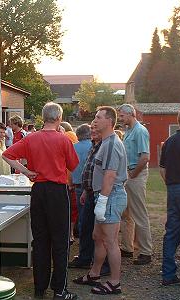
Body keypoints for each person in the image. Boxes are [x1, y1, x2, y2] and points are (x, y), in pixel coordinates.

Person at [3, 102, 79, 300]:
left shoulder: (31, 138)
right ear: (59, 118)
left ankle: (40, 287)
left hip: (38, 190)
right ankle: (60, 290)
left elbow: (7, 154)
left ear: (43, 118)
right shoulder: (63, 140)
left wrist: (27, 171)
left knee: (40, 240)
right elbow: (73, 165)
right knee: (60, 241)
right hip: (57, 191)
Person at [76, 106, 127, 295]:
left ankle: (115, 283)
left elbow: (110, 176)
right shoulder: (104, 142)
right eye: (95, 117)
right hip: (102, 196)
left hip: (111, 195)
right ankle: (95, 274)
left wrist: (103, 201)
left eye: (99, 117)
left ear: (109, 121)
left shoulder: (112, 143)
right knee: (98, 237)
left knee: (111, 241)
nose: (95, 121)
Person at [160, 106, 180, 289]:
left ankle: (169, 274)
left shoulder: (169, 141)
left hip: (173, 190)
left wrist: (172, 185)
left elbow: (162, 169)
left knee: (171, 234)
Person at [118, 103, 153, 265]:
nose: (120, 118)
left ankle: (146, 251)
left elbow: (145, 157)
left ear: (131, 114)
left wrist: (133, 174)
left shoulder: (140, 131)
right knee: (126, 214)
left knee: (139, 213)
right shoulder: (129, 131)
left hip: (135, 175)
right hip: (128, 174)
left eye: (122, 116)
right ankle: (127, 247)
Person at [71, 124, 92, 239]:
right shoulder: (94, 147)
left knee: (81, 215)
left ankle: (84, 244)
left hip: (77, 184)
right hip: (91, 186)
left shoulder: (73, 147)